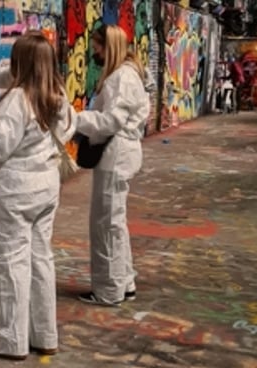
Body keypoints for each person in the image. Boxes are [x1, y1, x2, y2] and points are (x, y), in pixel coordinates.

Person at [0, 30, 74, 360]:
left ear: (20, 63)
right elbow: (68, 128)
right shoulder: (58, 94)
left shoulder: (16, 101)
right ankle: (44, 333)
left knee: (11, 263)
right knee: (41, 260)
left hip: (15, 191)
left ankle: (11, 339)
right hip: (46, 186)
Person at [74, 24, 150, 306]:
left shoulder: (121, 78)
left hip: (115, 155)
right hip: (119, 154)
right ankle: (123, 281)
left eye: (98, 47)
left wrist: (75, 119)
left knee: (106, 224)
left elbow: (110, 122)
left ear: (109, 47)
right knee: (114, 223)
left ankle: (108, 290)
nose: (95, 52)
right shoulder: (127, 74)